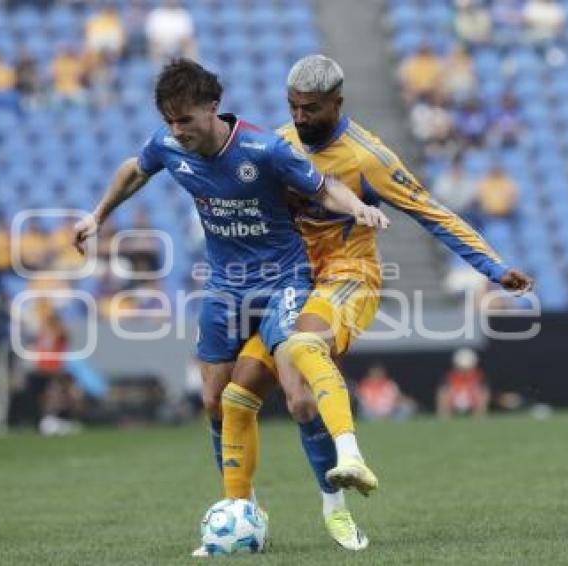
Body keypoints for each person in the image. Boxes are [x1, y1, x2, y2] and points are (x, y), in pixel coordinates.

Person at [71, 58, 387, 555]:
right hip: (223, 287)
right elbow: (135, 169)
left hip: (284, 278)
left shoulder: (263, 149)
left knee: (299, 396)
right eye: (169, 121)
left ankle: (335, 510)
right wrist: (96, 215)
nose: (177, 131)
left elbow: (324, 186)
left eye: (186, 120)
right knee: (214, 400)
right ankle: (242, 514)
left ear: (212, 108)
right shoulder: (168, 146)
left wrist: (360, 208)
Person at [218, 55, 533, 551]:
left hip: (350, 278)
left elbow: (432, 212)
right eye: (294, 107)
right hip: (293, 283)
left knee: (303, 347)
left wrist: (493, 269)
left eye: (312, 109)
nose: (301, 118)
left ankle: (342, 489)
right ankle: (237, 520)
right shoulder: (279, 145)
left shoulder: (368, 158)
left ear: (338, 103)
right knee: (241, 395)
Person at [436, 348, 490, 417]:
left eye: (467, 368)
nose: (464, 371)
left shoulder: (479, 376)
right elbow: (443, 394)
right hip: (454, 406)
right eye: (462, 368)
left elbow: (483, 394)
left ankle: (479, 415)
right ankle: (445, 416)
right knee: (444, 391)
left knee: (482, 390)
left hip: (472, 405)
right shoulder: (450, 377)